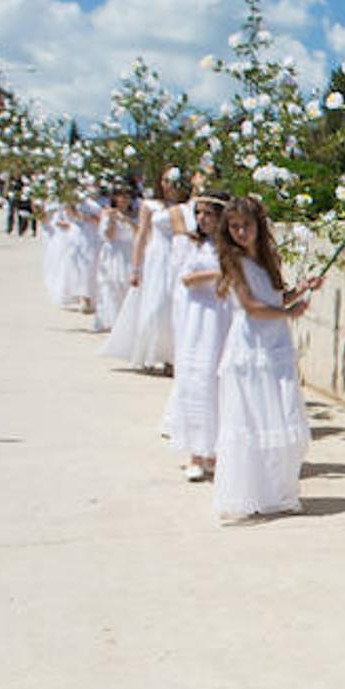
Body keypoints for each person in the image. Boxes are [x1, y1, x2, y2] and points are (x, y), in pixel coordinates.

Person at [211, 196, 321, 521]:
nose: (241, 232)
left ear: (259, 226)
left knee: (278, 413)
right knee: (252, 417)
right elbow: (251, 305)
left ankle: (274, 491)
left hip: (274, 344)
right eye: (234, 227)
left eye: (246, 225)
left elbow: (274, 296)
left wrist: (300, 290)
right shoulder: (233, 260)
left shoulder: (267, 258)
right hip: (251, 348)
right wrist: (287, 313)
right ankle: (250, 491)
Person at [165, 195, 231, 482]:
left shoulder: (232, 249)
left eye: (208, 214)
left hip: (222, 318)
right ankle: (195, 452)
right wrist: (218, 274)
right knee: (195, 380)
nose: (202, 219)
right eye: (199, 213)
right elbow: (186, 278)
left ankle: (215, 451)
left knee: (218, 382)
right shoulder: (193, 245)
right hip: (197, 320)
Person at [102, 170, 184, 372]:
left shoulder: (185, 207)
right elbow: (141, 234)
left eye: (173, 181)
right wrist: (136, 268)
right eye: (165, 180)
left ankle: (171, 358)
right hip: (156, 258)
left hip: (177, 258)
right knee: (155, 305)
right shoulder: (150, 206)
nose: (169, 185)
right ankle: (150, 352)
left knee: (173, 305)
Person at [92, 188, 139, 333]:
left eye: (127, 197)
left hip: (130, 251)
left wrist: (127, 220)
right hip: (114, 252)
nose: (124, 200)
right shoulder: (108, 214)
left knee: (127, 287)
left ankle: (128, 321)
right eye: (121, 197)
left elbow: (140, 232)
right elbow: (109, 236)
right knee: (112, 285)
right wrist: (112, 219)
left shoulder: (136, 214)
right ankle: (113, 320)